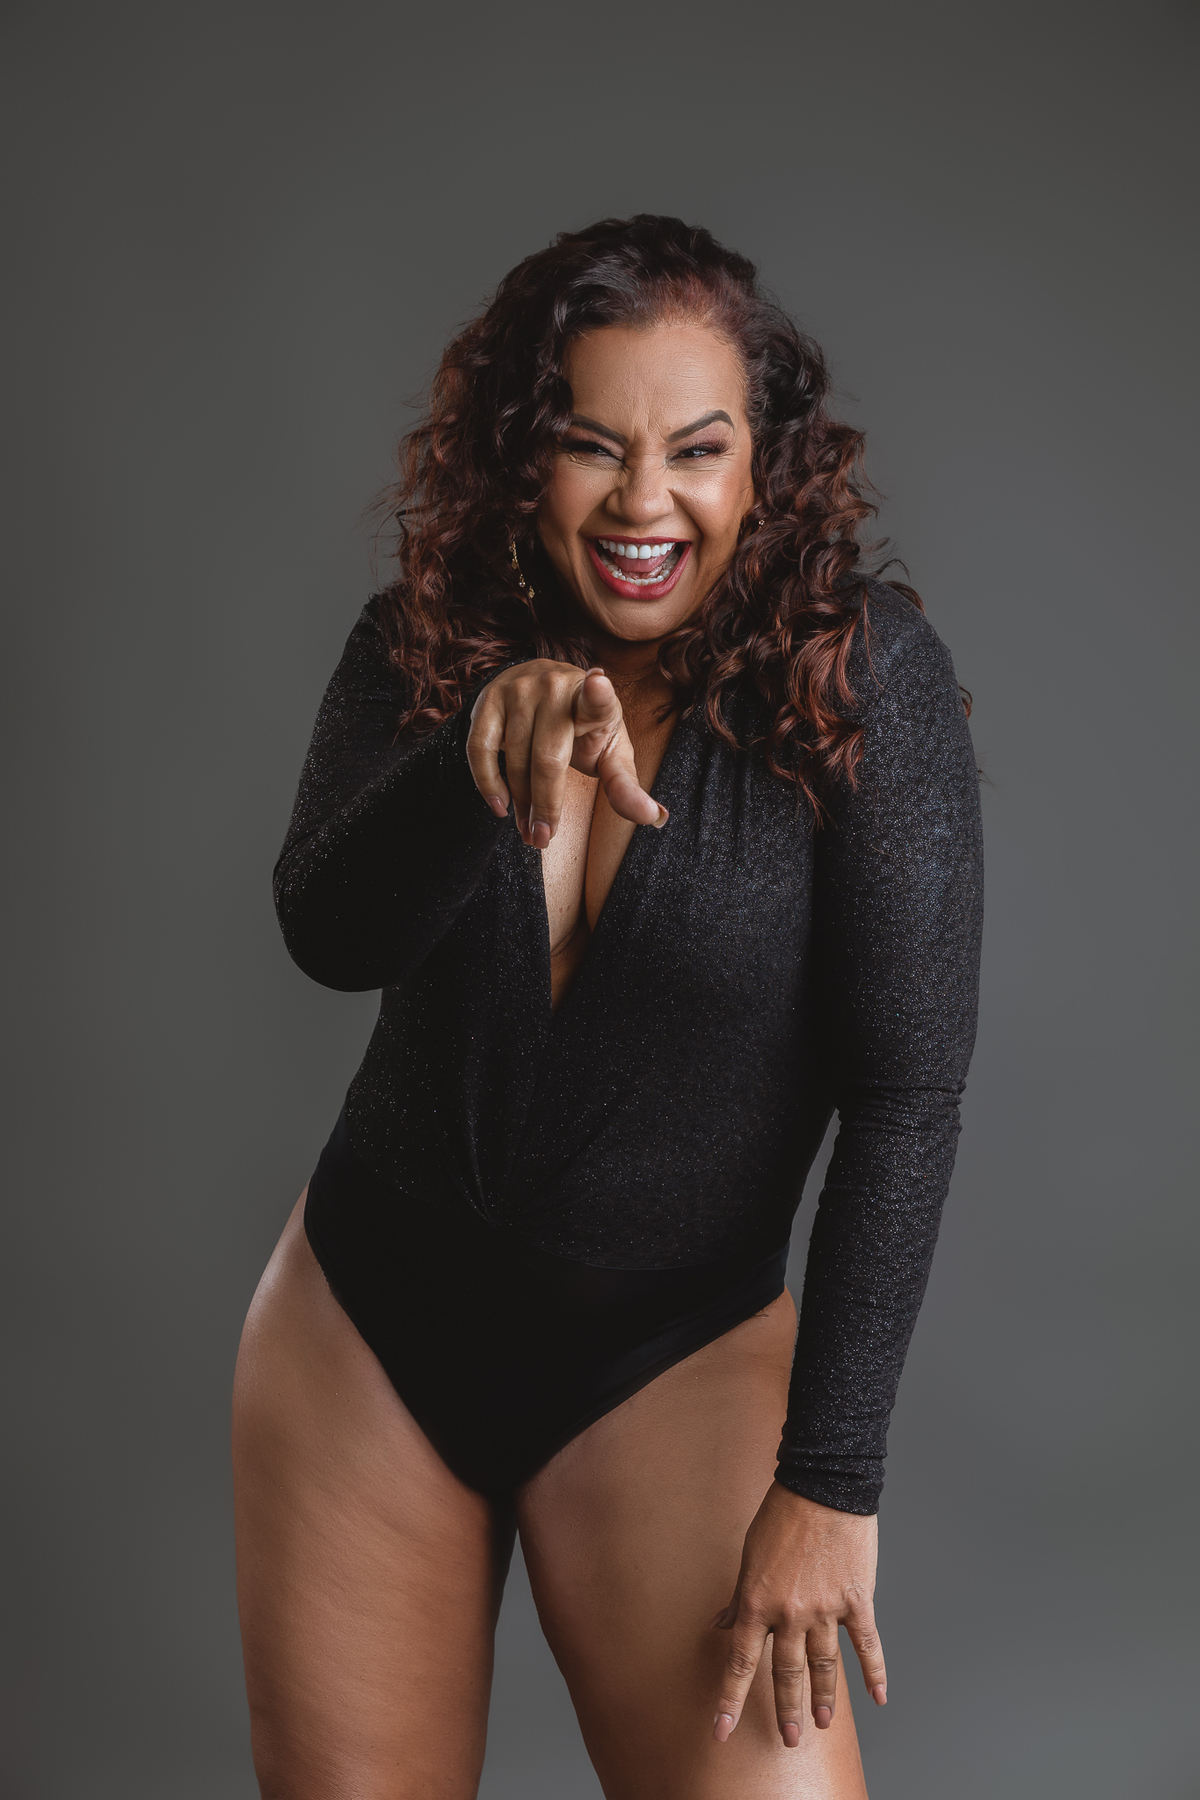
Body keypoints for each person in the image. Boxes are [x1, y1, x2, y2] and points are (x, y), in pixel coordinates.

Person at [232, 214, 983, 1800]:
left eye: (697, 450)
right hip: (368, 1334)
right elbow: (325, 933)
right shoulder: (425, 643)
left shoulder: (861, 683)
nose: (647, 504)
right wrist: (469, 763)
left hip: (671, 1360)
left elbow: (905, 1094)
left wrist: (830, 1481)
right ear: (526, 458)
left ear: (764, 465)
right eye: (593, 446)